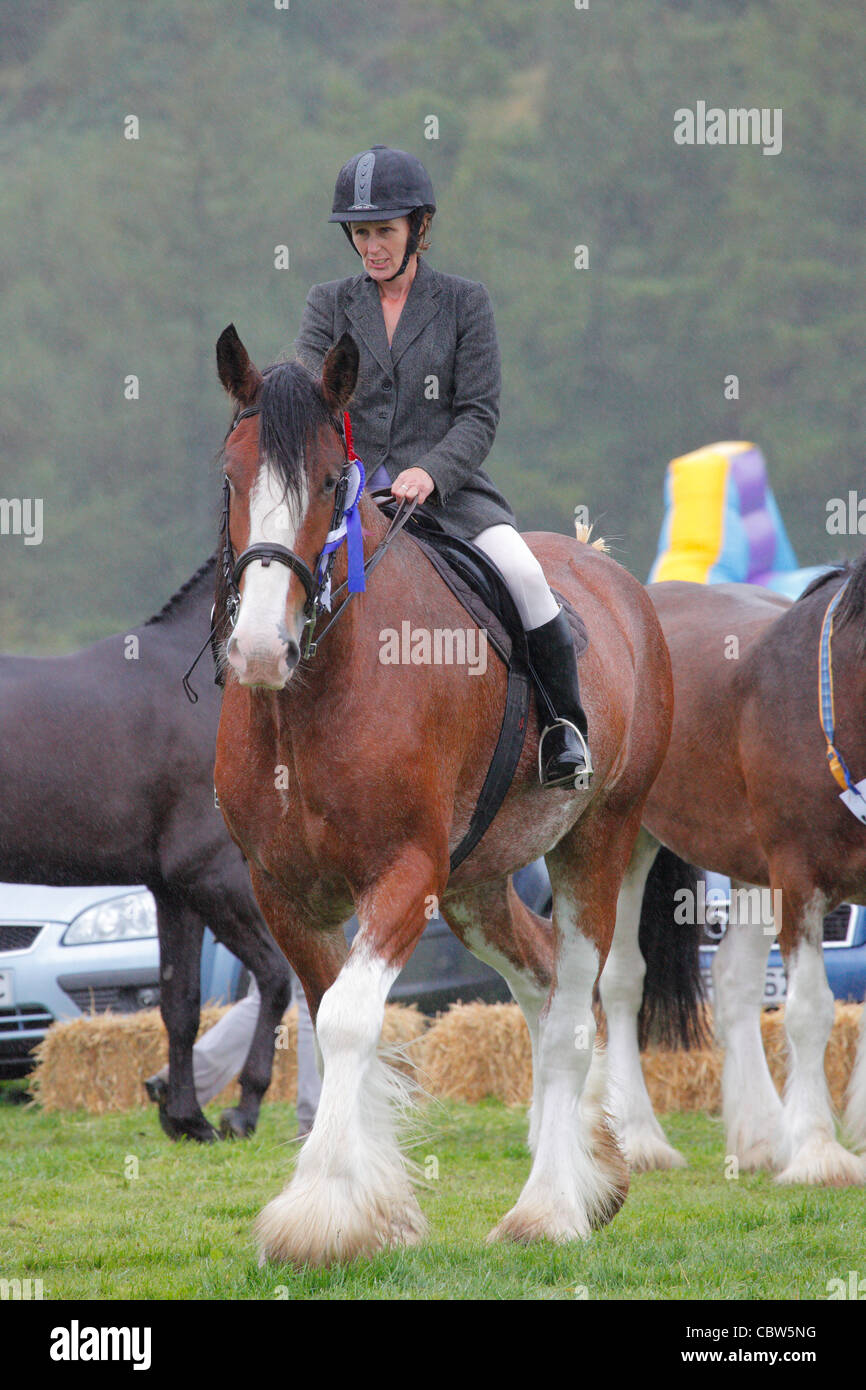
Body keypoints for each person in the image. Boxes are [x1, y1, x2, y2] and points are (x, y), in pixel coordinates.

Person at [294, 145, 591, 789]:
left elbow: (478, 415)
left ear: (418, 230)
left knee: (525, 576)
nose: (371, 247)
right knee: (280, 577)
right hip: (353, 498)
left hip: (452, 498)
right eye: (361, 233)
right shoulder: (329, 305)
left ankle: (565, 730)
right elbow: (312, 403)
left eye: (384, 232)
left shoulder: (464, 304)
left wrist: (430, 471)